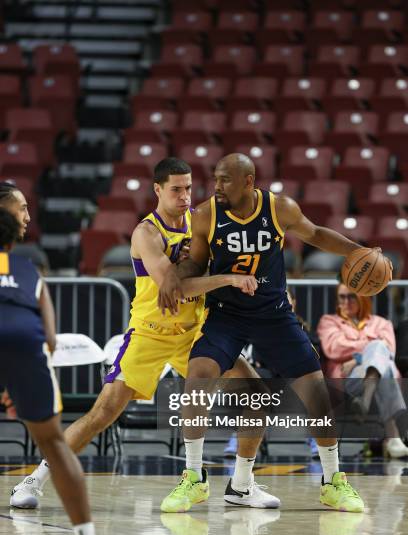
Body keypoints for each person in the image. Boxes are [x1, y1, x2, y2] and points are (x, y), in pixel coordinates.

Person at [10, 157, 279, 512]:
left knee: (256, 397)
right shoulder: (146, 233)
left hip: (194, 333)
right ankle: (34, 479)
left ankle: (242, 485)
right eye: (176, 190)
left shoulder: (201, 222)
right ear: (157, 190)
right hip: (149, 334)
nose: (185, 196)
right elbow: (175, 287)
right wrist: (225, 278)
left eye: (188, 189)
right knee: (102, 413)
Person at [158, 153, 392, 514]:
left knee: (315, 390)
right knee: (199, 373)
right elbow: (197, 262)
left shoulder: (278, 208)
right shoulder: (206, 215)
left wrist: (358, 250)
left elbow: (314, 234)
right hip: (226, 313)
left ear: (249, 182)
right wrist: (176, 272)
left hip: (274, 314)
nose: (216, 186)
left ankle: (333, 482)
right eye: (216, 179)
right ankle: (193, 477)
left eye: (225, 180)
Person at [0, 183, 110, 535]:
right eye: (22, 209)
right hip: (27, 346)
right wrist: (18, 380)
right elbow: (47, 338)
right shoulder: (30, 272)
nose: (29, 215)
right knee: (55, 447)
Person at [317, 283, 408, 458]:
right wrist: (367, 352)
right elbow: (334, 348)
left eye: (351, 296)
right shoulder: (329, 322)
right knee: (380, 351)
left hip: (379, 377)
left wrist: (356, 358)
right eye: (342, 297)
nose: (346, 301)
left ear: (363, 298)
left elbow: (391, 350)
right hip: (347, 380)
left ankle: (365, 401)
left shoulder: (382, 323)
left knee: (383, 362)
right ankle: (393, 437)